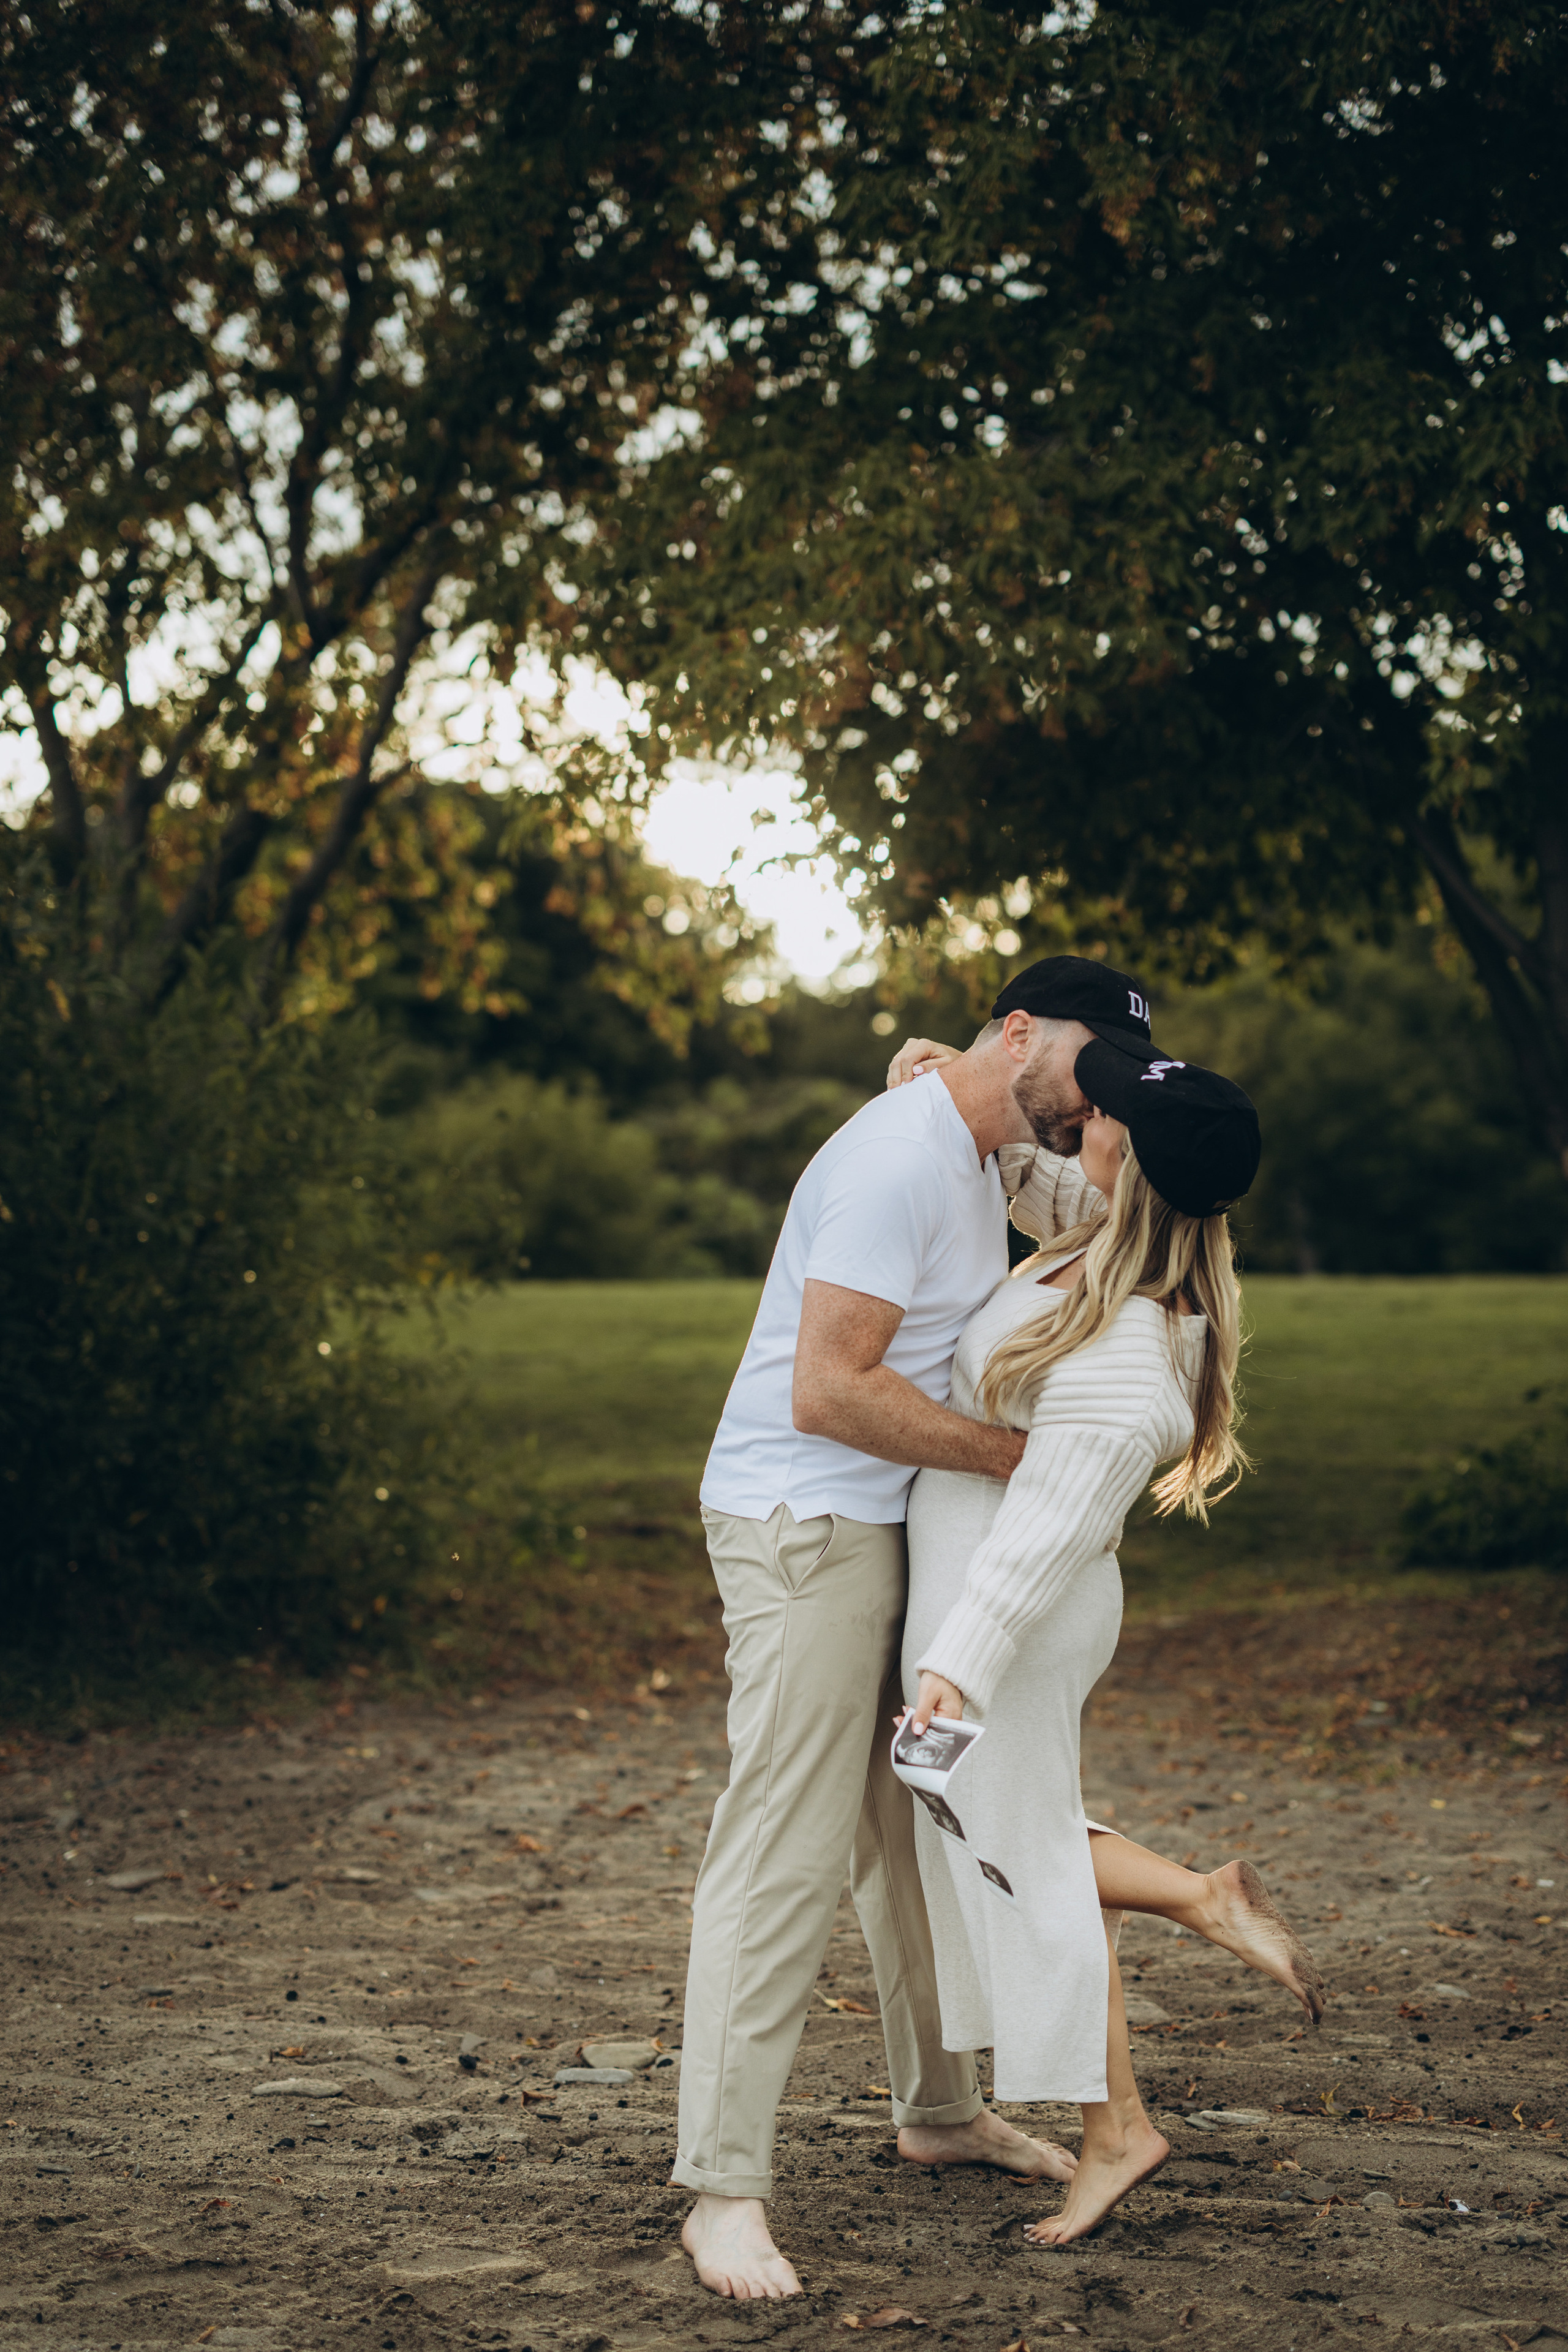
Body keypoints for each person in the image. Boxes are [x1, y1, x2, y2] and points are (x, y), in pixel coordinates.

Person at [674, 956, 1163, 2300]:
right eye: (1081, 1072)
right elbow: (828, 1390)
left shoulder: (988, 1141)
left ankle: (938, 2110)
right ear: (1016, 1035)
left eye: (1107, 1089)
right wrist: (1011, 1461)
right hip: (803, 1526)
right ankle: (720, 2191)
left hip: (883, 1526)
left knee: (912, 1828)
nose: (1088, 1104)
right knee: (782, 1847)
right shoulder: (900, 1160)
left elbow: (1131, 1203)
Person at [887, 1024, 1326, 2246]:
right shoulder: (1094, 1241)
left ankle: (1115, 2125)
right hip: (975, 1611)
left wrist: (951, 1671)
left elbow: (1040, 1543)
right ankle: (1195, 1896)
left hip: (1004, 1624)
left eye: (1103, 1108)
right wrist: (933, 1092)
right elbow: (1029, 1176)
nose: (1081, 1111)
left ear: (1130, 1156)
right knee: (980, 1827)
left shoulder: (1133, 1355)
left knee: (1011, 1855)